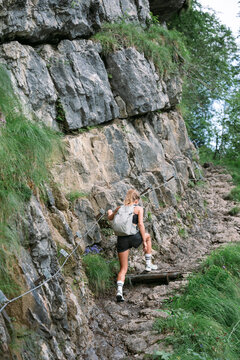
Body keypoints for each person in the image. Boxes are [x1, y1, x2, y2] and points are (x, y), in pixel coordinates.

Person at [107, 189, 157, 302]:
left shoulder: (119, 208)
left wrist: (110, 212)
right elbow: (140, 224)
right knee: (148, 237)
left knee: (123, 269)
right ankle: (148, 264)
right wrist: (144, 241)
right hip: (134, 237)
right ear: (136, 200)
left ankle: (119, 291)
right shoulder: (138, 209)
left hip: (122, 240)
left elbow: (110, 218)